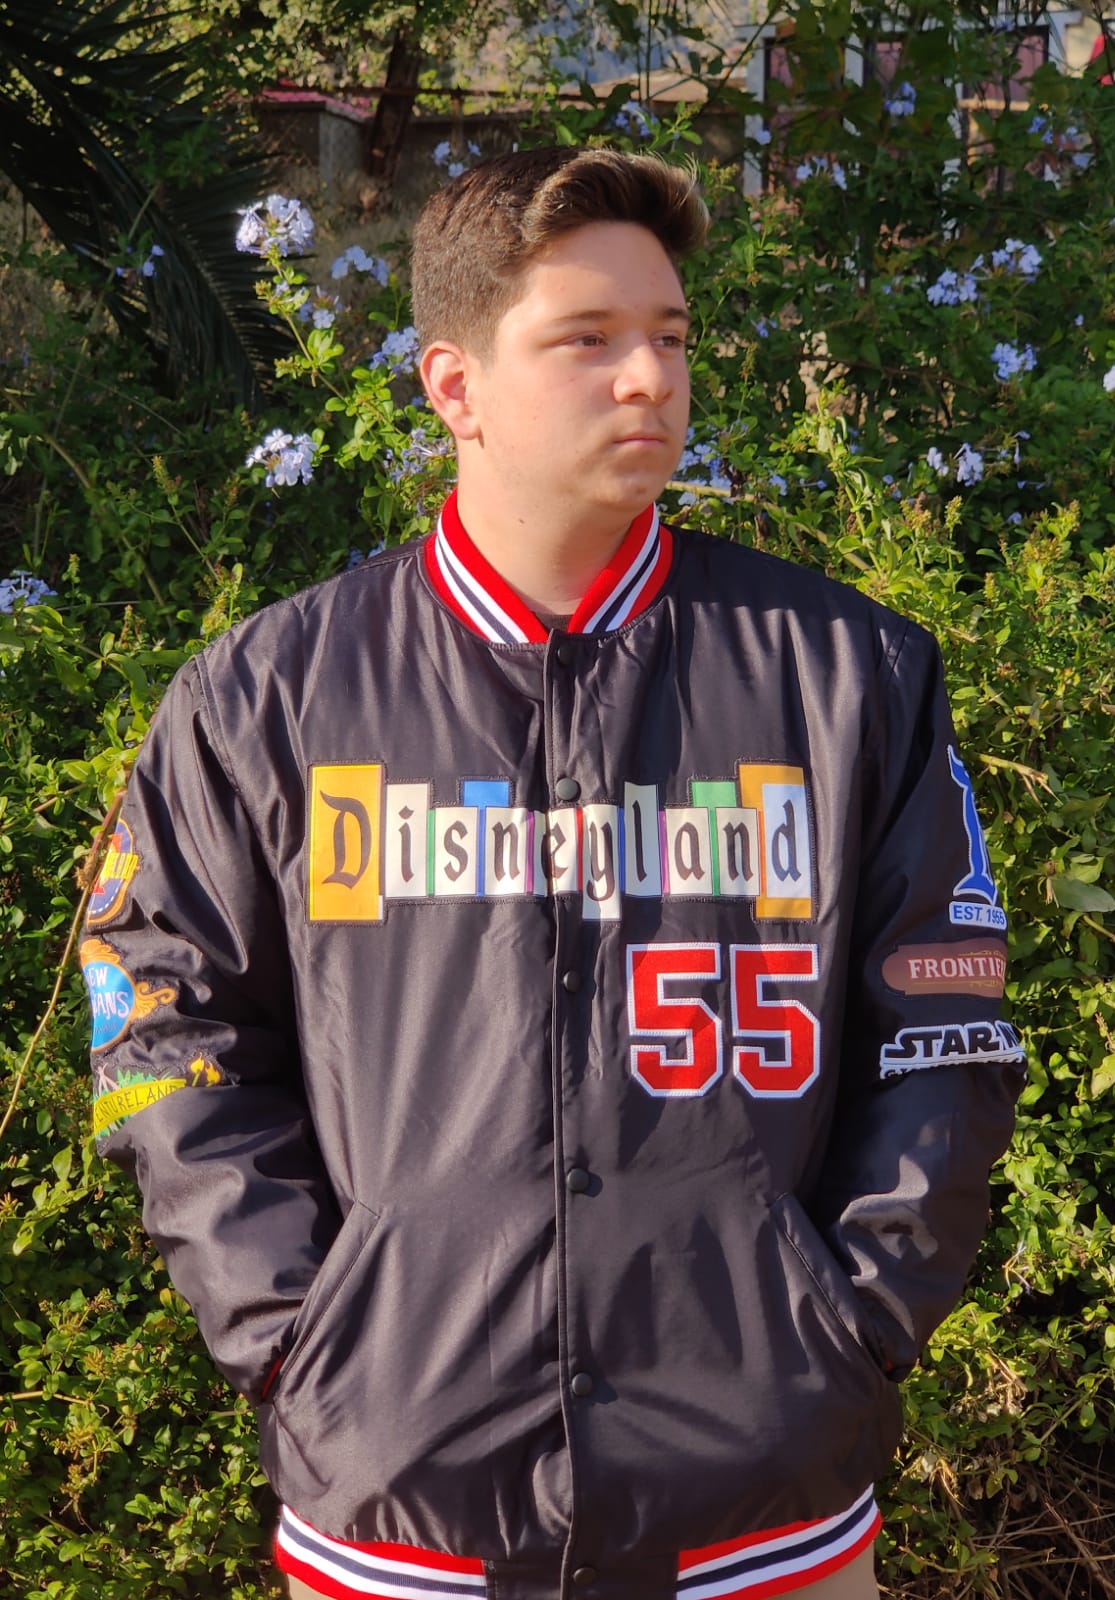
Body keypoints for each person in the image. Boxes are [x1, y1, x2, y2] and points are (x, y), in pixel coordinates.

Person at [81, 147, 1025, 1600]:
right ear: (451, 384)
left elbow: (947, 1033)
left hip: (761, 1509)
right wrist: (301, 1337)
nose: (650, 377)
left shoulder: (851, 679)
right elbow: (159, 1027)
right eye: (587, 340)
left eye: (670, 336)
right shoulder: (264, 699)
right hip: (402, 1507)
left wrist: (853, 1326)